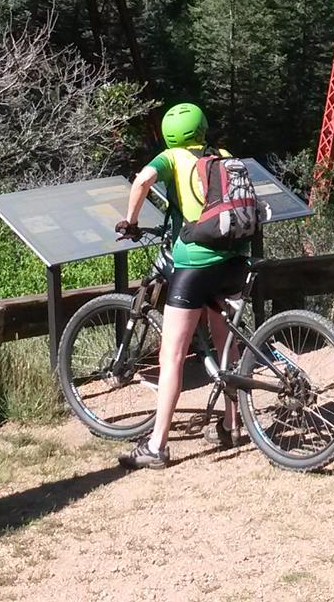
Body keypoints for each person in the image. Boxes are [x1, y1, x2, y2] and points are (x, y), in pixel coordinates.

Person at [114, 102, 249, 469]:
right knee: (227, 347)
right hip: (235, 258)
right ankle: (232, 424)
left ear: (170, 134)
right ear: (203, 127)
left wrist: (130, 220)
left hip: (195, 262)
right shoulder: (222, 155)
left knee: (171, 355)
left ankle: (156, 446)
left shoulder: (171, 157)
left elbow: (142, 180)